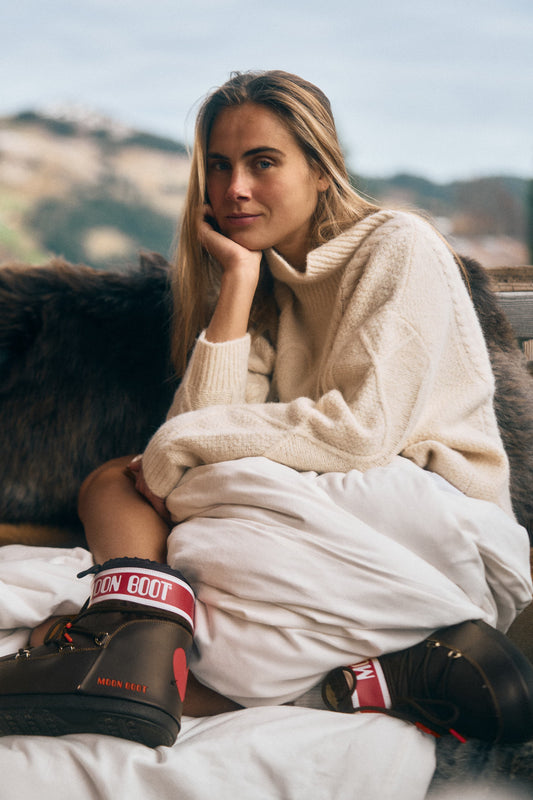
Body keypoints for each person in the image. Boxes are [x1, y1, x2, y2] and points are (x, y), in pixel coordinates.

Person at [0, 70, 532, 750]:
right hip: (327, 505)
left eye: (262, 163)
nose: (234, 189)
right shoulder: (269, 287)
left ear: (321, 169)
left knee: (128, 494)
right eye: (219, 166)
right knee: (118, 487)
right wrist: (237, 284)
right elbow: (198, 434)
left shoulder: (397, 243)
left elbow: (358, 432)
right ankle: (352, 683)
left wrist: (179, 453)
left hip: (425, 512)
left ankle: (129, 645)